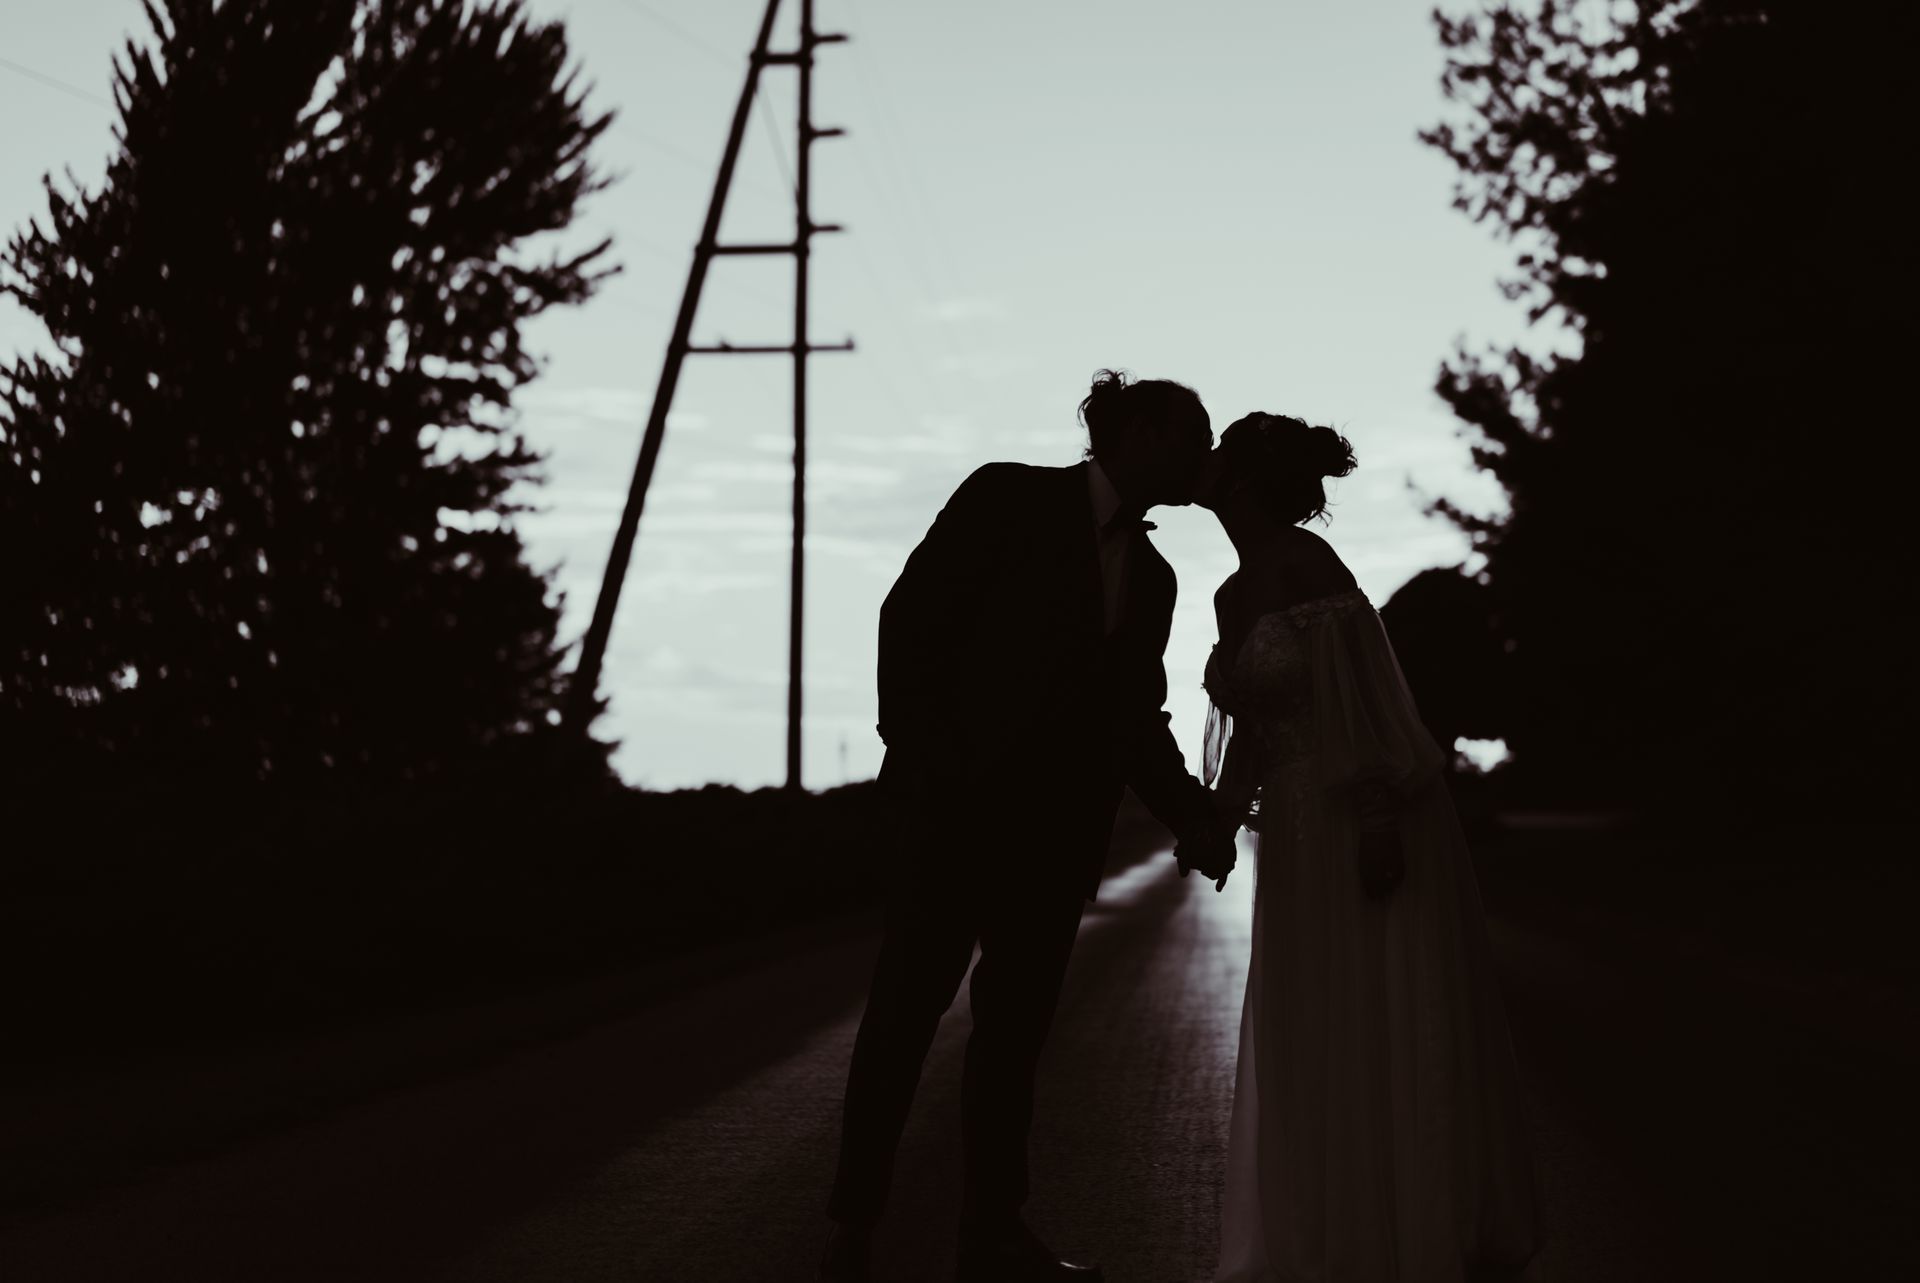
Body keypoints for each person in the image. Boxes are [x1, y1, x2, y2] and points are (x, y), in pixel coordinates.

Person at [820, 370, 1239, 1283]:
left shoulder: (1157, 577)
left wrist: (1198, 818)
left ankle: (993, 1234)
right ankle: (851, 1227)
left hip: (1054, 849)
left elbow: (1136, 720)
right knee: (900, 1021)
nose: (1201, 458)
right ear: (1130, 431)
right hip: (951, 823)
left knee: (1011, 1045)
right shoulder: (1004, 496)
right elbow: (911, 621)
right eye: (1189, 436)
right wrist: (928, 768)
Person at [1193, 413, 1541, 1283]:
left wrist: (1380, 816)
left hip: (1360, 819)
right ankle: (1331, 1223)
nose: (1204, 468)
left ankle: (1404, 1225)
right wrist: (1216, 819)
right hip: (1297, 845)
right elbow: (1258, 735)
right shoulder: (1230, 596)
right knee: (1315, 1018)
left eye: (1218, 457)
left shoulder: (1309, 568)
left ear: (1240, 482)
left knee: (1380, 1005)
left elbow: (1368, 703)